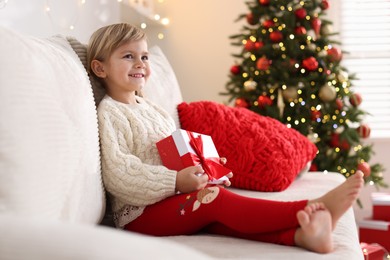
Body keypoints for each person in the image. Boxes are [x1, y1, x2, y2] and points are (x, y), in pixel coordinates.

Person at [87, 23, 364, 254]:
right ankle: (309, 208)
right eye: (128, 57)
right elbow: (119, 174)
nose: (140, 64)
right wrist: (175, 181)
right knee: (215, 199)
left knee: (218, 216)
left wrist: (205, 166)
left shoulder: (151, 109)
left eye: (144, 57)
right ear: (100, 69)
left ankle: (301, 236)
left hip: (172, 199)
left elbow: (174, 152)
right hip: (140, 216)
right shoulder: (111, 112)